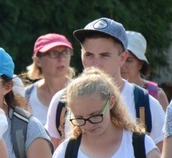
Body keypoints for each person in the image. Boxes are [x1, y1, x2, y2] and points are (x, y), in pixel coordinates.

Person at [46, 17, 165, 150]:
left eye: (104, 55)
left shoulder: (146, 105)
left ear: (122, 58)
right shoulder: (62, 101)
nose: (95, 64)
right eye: (89, 55)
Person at [23, 33, 75, 126]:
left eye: (65, 52)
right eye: (54, 53)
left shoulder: (81, 92)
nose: (61, 58)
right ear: (38, 60)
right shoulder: (26, 96)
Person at [122, 30, 169, 111]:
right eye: (120, 59)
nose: (122, 65)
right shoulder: (107, 92)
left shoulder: (156, 95)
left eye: (129, 60)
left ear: (140, 64)